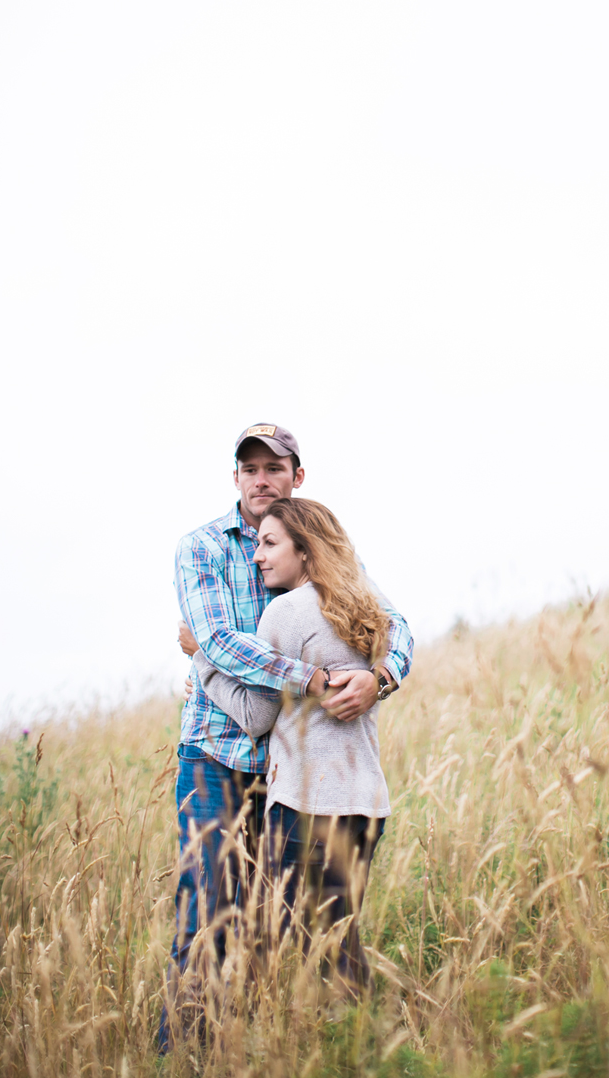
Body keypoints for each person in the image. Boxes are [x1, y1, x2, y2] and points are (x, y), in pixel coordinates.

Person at [160, 423, 412, 1049]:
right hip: (217, 754)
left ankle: (266, 1044)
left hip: (287, 770)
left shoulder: (322, 548)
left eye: (275, 467)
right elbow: (216, 639)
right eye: (250, 468)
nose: (261, 479)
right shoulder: (204, 548)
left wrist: (382, 674)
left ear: (297, 476)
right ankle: (184, 1050)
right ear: (237, 478)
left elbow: (394, 622)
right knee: (210, 905)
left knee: (276, 920)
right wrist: (317, 677)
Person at [190, 496, 396, 991]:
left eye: (269, 543)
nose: (257, 555)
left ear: (304, 551)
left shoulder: (285, 613)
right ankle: (363, 1041)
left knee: (296, 946)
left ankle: (351, 1043)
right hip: (365, 802)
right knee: (339, 939)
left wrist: (202, 660)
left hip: (306, 803)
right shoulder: (362, 606)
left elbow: (256, 717)